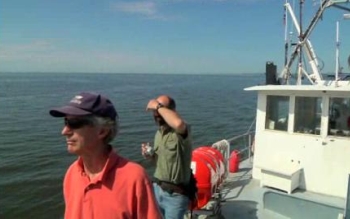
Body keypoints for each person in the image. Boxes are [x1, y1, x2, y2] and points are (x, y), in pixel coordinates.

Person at [49, 91, 162, 219]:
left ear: (102, 131)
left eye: (74, 123)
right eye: (66, 122)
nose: (64, 131)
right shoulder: (72, 174)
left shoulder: (134, 178)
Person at [141, 95, 193, 219]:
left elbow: (178, 123)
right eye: (155, 111)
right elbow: (161, 162)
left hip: (175, 195)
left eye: (160, 109)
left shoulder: (182, 131)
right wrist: (150, 156)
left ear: (172, 111)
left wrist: (157, 106)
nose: (157, 113)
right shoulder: (159, 134)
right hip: (157, 190)